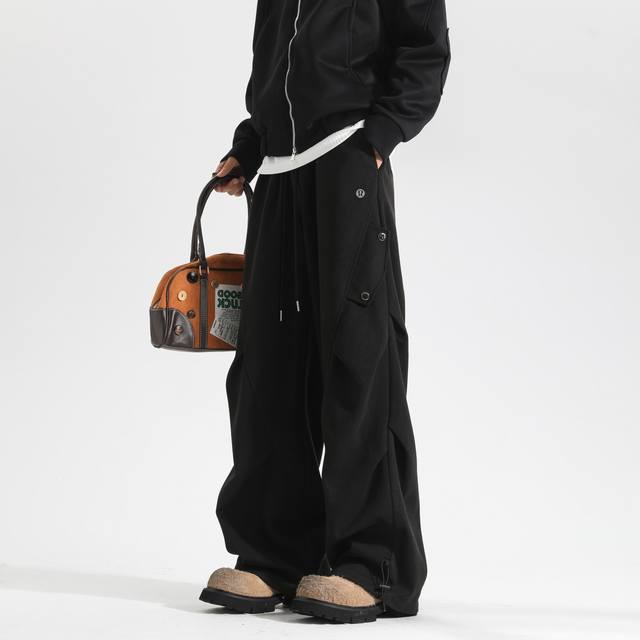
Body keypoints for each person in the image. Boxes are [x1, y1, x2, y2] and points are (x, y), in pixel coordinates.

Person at [199, 0, 451, 624]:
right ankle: (274, 555)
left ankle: (372, 565)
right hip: (279, 175)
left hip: (347, 161)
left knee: (358, 362)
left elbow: (423, 47)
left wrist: (380, 136)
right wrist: (250, 145)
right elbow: (275, 67)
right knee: (266, 367)